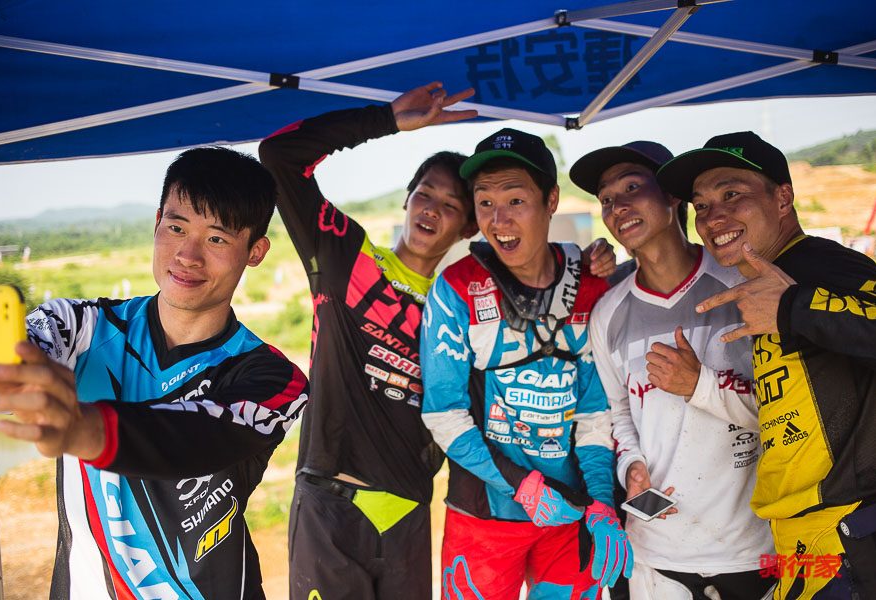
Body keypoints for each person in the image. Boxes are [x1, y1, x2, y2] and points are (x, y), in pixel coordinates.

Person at [258, 83, 616, 600]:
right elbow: (278, 155)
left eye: (451, 204)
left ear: (469, 226)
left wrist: (587, 261)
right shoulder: (346, 261)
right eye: (424, 193)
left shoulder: (462, 302)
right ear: (407, 198)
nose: (431, 209)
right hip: (329, 503)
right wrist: (384, 119)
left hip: (411, 510)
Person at [0, 146, 310, 599]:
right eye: (176, 228)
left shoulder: (275, 379)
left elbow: (189, 438)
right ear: (156, 224)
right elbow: (7, 362)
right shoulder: (79, 325)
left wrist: (82, 427)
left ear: (255, 251)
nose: (188, 255)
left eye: (217, 239)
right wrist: (4, 376)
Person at [657, 131, 876, 600]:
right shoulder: (766, 284)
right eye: (700, 205)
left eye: (731, 195)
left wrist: (794, 307)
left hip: (851, 539)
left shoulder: (819, 266)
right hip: (803, 546)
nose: (712, 217)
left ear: (783, 198)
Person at [420, 128, 630, 600]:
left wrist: (601, 500)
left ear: (551, 200)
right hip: (484, 515)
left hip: (570, 513)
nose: (500, 220)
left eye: (515, 200)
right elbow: (443, 413)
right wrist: (520, 485)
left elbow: (595, 411)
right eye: (485, 203)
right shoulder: (455, 289)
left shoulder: (590, 284)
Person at [574, 141, 774, 600]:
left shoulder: (743, 286)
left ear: (672, 196)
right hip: (654, 554)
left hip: (749, 548)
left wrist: (700, 385)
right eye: (606, 199)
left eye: (632, 188)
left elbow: (788, 411)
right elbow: (618, 413)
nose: (618, 207)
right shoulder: (608, 313)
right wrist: (631, 466)